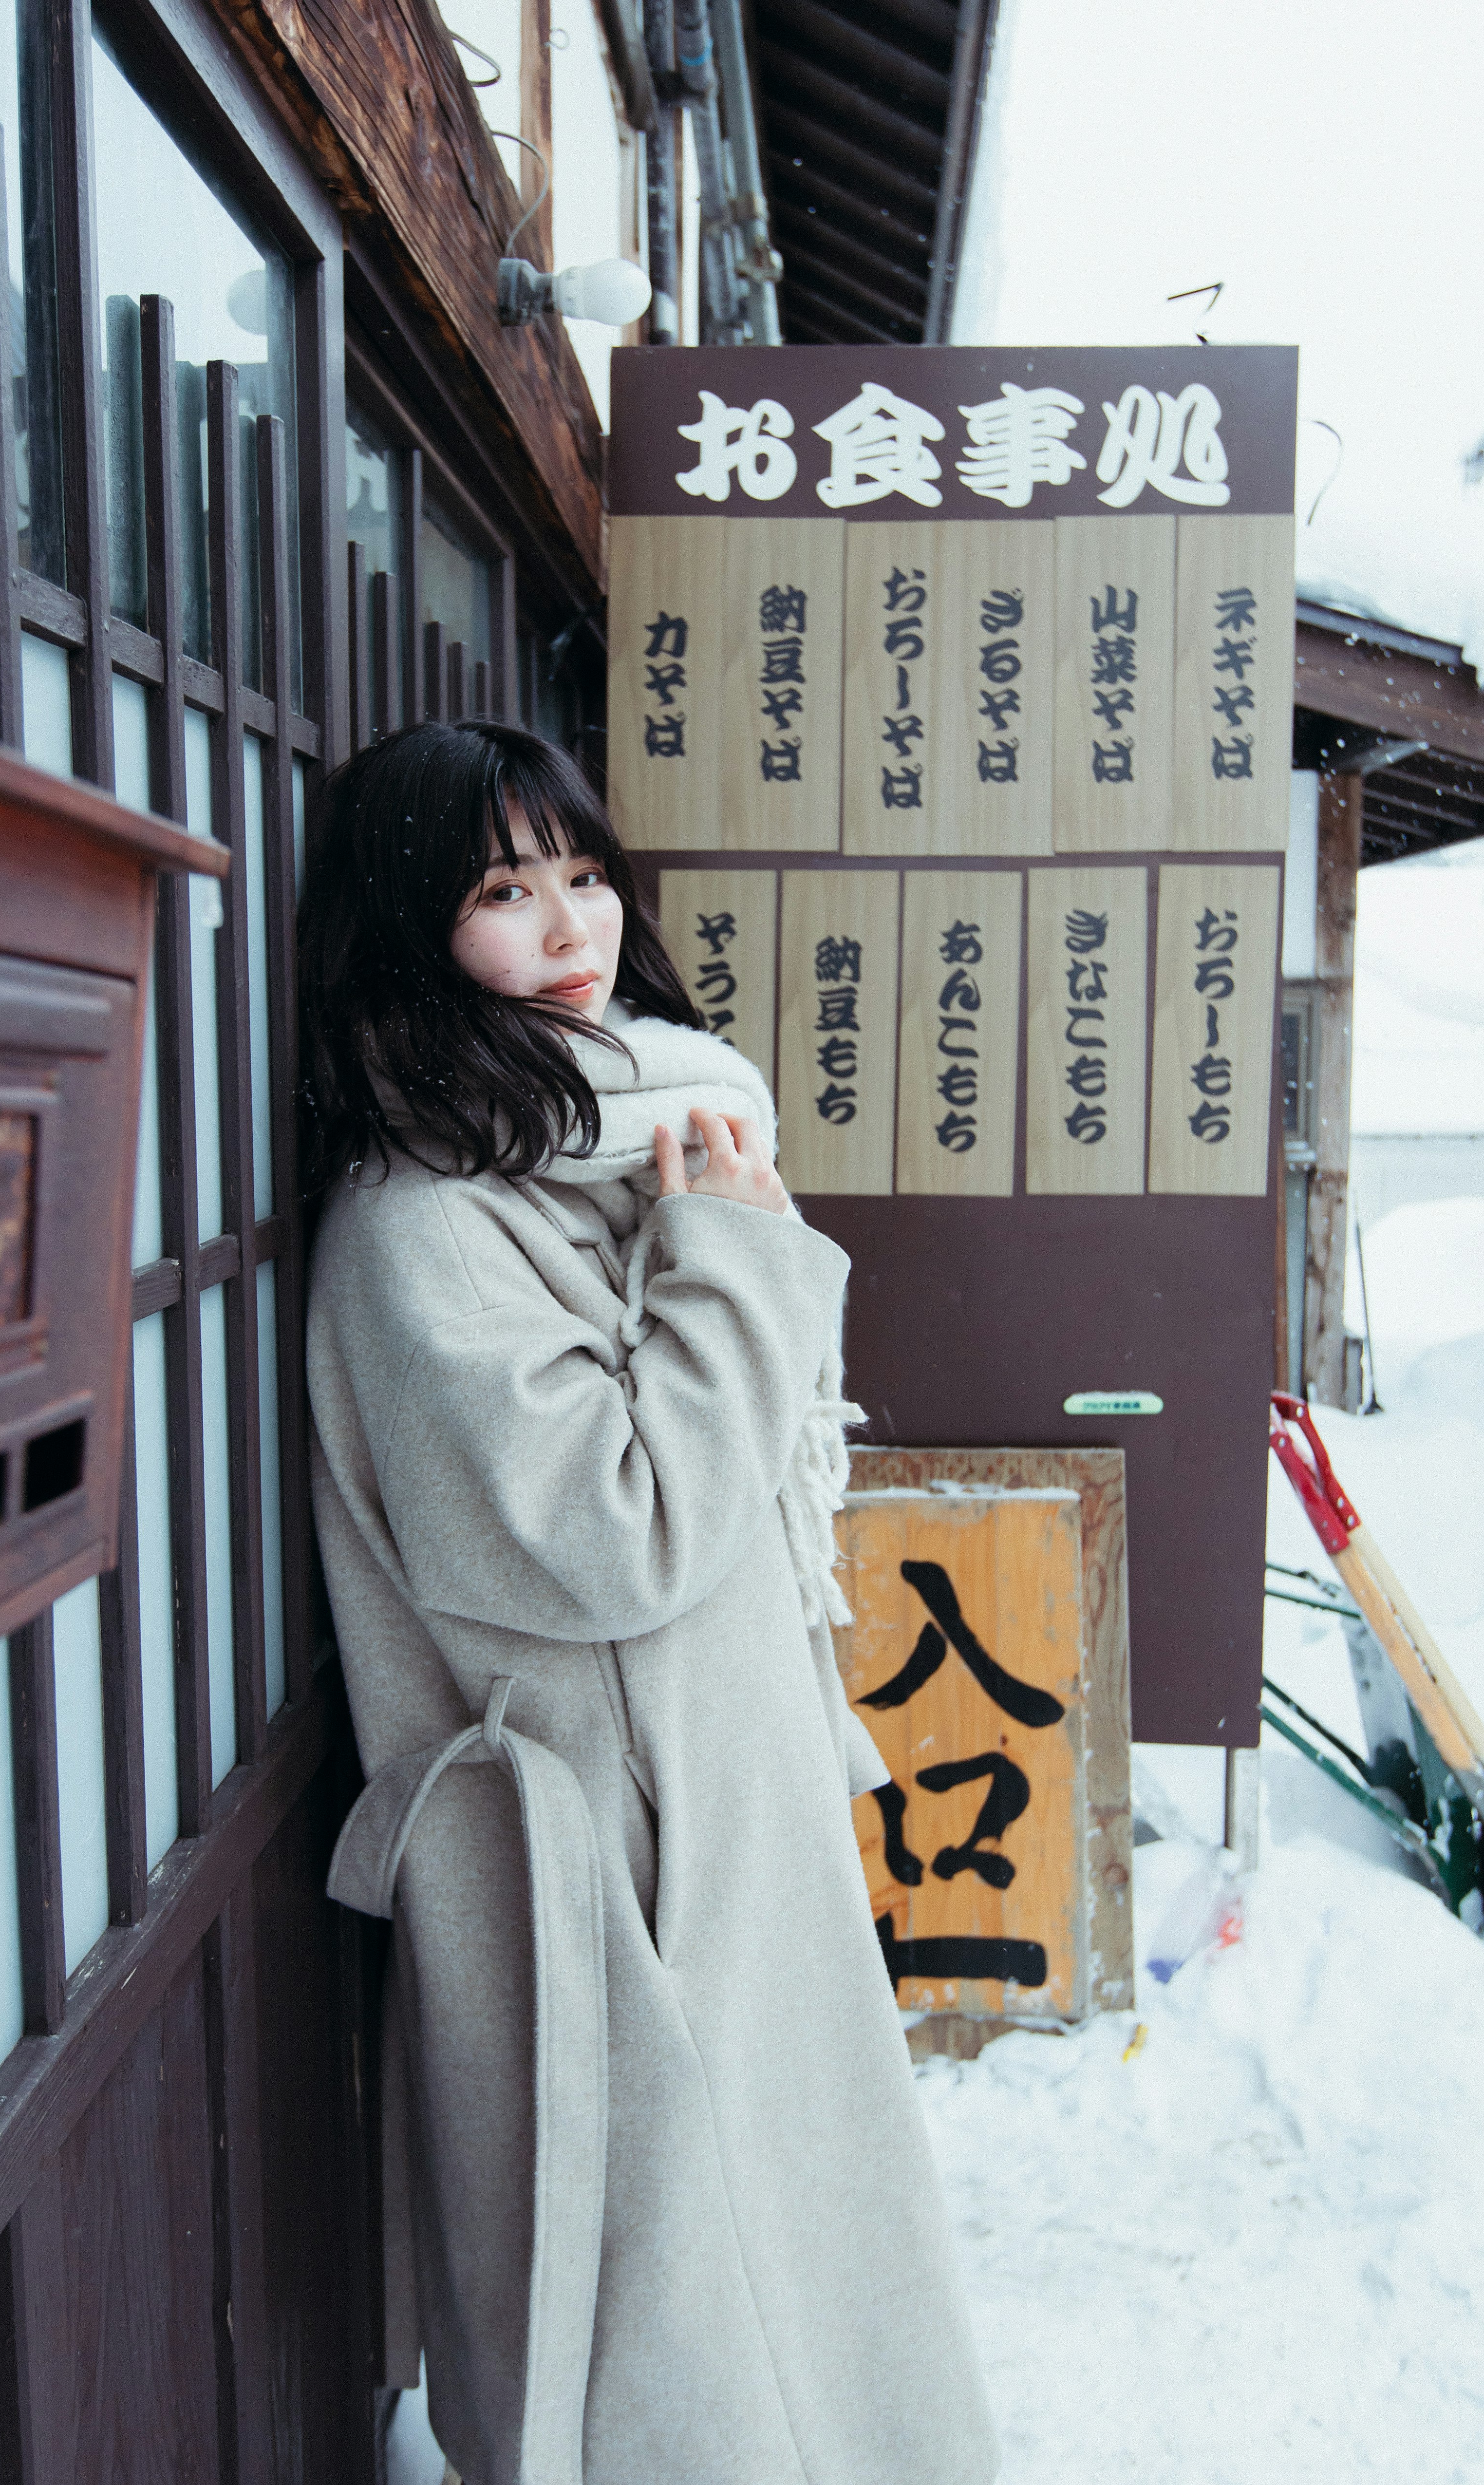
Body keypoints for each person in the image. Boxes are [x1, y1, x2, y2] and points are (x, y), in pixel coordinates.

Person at [299, 719, 997, 2485]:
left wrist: (719, 1248)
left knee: (797, 2277)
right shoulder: (418, 1229)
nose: (569, 927)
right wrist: (735, 1263)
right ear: (407, 933)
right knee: (676, 2335)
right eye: (503, 892)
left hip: (718, 1805)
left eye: (584, 873)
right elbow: (617, 1531)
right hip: (611, 1865)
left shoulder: (630, 1128)